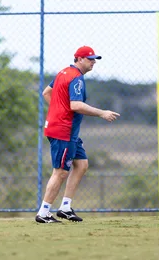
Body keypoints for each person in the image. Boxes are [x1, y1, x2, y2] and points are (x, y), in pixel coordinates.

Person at [35, 46, 120, 223]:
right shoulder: (77, 78)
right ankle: (43, 213)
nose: (93, 62)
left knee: (81, 164)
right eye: (90, 59)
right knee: (60, 172)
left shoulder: (63, 72)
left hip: (67, 130)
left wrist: (58, 109)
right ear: (79, 59)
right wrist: (101, 113)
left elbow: (46, 92)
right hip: (63, 131)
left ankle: (65, 208)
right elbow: (76, 105)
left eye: (94, 59)